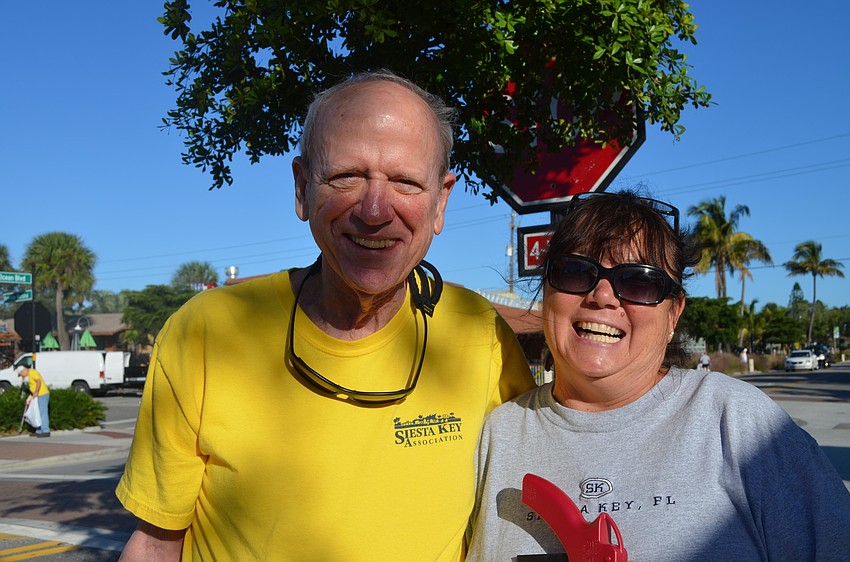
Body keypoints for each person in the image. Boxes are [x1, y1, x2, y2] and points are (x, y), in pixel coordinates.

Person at [115, 71, 536, 561]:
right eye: (346, 177)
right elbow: (155, 543)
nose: (375, 209)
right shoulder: (206, 332)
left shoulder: (479, 332)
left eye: (405, 181)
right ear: (301, 187)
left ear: (441, 203)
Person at [467, 191, 850, 561]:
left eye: (639, 281)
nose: (602, 296)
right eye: (575, 271)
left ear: (674, 313)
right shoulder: (494, 435)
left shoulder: (736, 421)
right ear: (547, 289)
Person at [17, 365, 50, 437]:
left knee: (42, 412)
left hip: (42, 394)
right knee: (38, 413)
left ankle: (45, 430)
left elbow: (38, 381)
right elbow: (33, 389)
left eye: (21, 375)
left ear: (23, 371)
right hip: (38, 395)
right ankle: (39, 430)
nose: (22, 377)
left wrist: (36, 392)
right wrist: (29, 399)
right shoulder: (29, 376)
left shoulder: (32, 372)